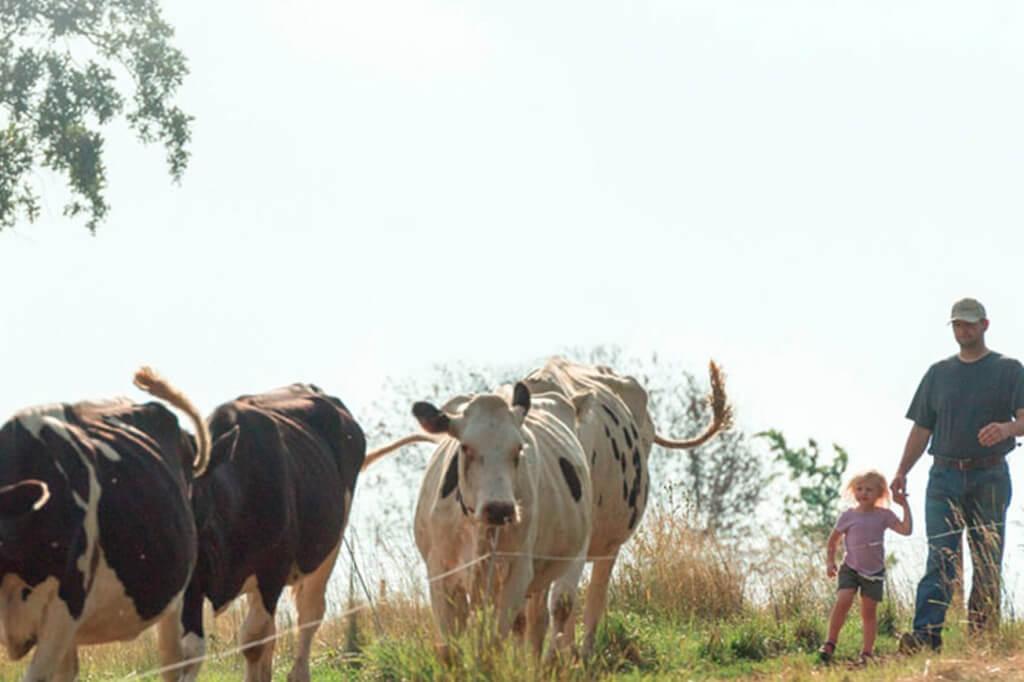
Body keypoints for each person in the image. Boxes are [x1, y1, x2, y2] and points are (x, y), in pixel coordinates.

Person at [892, 297, 1024, 652]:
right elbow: (922, 428)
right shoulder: (939, 373)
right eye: (957, 325)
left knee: (986, 561)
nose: (963, 330)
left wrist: (1007, 428)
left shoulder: (1009, 369)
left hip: (989, 476)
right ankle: (924, 638)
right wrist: (902, 471)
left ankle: (982, 642)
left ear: (985, 324)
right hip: (943, 477)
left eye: (969, 323)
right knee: (940, 558)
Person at [819, 470, 912, 664]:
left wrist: (905, 505)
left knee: (868, 612)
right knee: (843, 601)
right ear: (853, 491)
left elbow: (906, 530)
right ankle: (829, 643)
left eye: (869, 490)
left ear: (879, 494)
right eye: (859, 489)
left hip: (874, 572)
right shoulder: (848, 516)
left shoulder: (884, 515)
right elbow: (832, 541)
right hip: (850, 568)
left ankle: (867, 653)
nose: (863, 493)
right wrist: (830, 562)